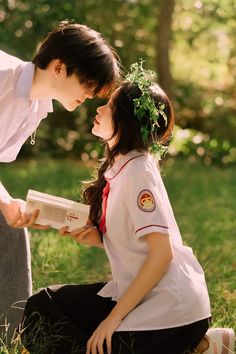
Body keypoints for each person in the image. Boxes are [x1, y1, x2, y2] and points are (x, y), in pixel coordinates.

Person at [22, 62, 211, 354]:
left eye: (108, 105)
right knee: (41, 308)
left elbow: (162, 255)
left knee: (96, 341)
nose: (98, 110)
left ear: (126, 119)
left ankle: (199, 345)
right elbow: (136, 245)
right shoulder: (121, 167)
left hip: (172, 309)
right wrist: (97, 239)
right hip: (143, 295)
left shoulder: (139, 172)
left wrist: (112, 320)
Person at [0, 20, 120, 338]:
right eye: (88, 82)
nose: (91, 95)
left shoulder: (37, 106)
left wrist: (11, 205)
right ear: (58, 67)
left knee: (11, 234)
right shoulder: (3, 78)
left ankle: (11, 332)